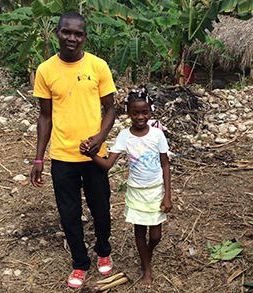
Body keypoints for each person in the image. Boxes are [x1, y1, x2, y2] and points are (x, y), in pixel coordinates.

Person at [30, 11, 117, 289]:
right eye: (67, 32)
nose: (72, 38)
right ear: (57, 33)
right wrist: (39, 157)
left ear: (84, 37)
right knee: (69, 213)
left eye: (78, 34)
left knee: (101, 208)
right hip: (62, 157)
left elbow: (111, 109)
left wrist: (99, 137)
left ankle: (103, 251)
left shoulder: (98, 66)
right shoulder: (45, 70)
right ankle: (80, 263)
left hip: (93, 156)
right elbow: (45, 117)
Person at [80, 88, 173, 289]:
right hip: (136, 192)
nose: (140, 117)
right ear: (128, 113)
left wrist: (167, 195)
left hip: (155, 191)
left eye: (145, 112)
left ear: (151, 111)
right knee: (140, 232)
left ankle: (146, 253)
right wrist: (91, 155)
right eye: (135, 113)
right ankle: (147, 268)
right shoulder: (124, 136)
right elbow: (107, 165)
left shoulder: (157, 135)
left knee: (156, 236)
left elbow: (165, 165)